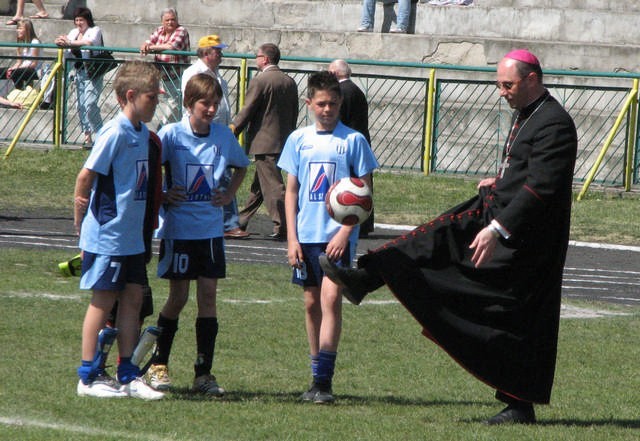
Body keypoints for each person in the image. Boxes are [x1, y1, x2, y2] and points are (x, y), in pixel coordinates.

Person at [320, 49, 578, 424]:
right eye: (499, 85)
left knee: (507, 310)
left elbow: (541, 188)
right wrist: (501, 181)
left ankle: (519, 403)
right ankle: (368, 276)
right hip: (500, 215)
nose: (502, 93)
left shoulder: (554, 122)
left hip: (522, 236)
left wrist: (496, 229)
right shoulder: (529, 114)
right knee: (433, 242)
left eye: (508, 85)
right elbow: (525, 173)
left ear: (532, 80)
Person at [145, 73, 250, 395]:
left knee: (208, 297)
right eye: (205, 103)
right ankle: (158, 364)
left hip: (210, 232)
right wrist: (163, 195)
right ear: (189, 104)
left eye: (215, 103)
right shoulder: (172, 135)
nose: (211, 109)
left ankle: (203, 373)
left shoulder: (222, 135)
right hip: (179, 230)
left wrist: (228, 194)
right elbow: (151, 169)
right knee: (178, 298)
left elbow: (242, 165)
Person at [278, 71, 378, 403]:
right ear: (309, 103)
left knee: (331, 300)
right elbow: (291, 191)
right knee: (310, 303)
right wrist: (291, 238)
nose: (327, 109)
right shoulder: (298, 140)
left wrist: (347, 230)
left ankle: (324, 382)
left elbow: (364, 193)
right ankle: (314, 372)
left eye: (333, 104)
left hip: (337, 238)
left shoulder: (353, 141)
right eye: (321, 104)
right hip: (305, 235)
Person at [73, 60, 164, 400]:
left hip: (131, 235)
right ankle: (88, 374)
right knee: (103, 301)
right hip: (109, 235)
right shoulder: (114, 132)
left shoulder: (142, 133)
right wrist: (82, 221)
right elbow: (86, 176)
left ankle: (127, 373)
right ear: (130, 95)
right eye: (151, 97)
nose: (156, 102)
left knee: (133, 298)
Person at [181, 34, 249, 239]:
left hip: (219, 130)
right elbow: (190, 102)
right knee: (218, 175)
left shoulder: (217, 74)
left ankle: (227, 221)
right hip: (203, 131)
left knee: (224, 174)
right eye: (217, 50)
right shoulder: (194, 73)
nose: (221, 54)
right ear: (205, 53)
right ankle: (228, 222)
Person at [231, 43, 299, 240]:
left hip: (264, 142)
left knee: (273, 186)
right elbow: (294, 112)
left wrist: (233, 130)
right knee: (259, 186)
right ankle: (241, 221)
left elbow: (247, 110)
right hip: (284, 140)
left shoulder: (261, 81)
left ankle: (284, 225)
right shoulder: (289, 81)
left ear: (265, 59)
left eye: (257, 56)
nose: (256, 59)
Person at [327, 59, 374, 237]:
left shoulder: (342, 92)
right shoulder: (356, 89)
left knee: (351, 185)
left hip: (347, 144)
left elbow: (339, 121)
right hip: (360, 141)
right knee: (362, 184)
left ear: (334, 73)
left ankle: (354, 220)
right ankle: (365, 222)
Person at [55, 7, 104, 148]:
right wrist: (60, 40)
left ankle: (101, 135)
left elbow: (89, 42)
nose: (78, 23)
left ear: (87, 20)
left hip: (93, 72)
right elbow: (66, 42)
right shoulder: (74, 32)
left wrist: (69, 42)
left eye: (81, 20)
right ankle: (87, 138)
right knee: (81, 105)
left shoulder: (95, 30)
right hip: (79, 72)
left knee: (90, 104)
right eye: (76, 20)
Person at [140, 7, 190, 127]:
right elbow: (150, 40)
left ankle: (164, 128)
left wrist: (151, 47)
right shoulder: (159, 30)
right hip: (161, 74)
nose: (170, 22)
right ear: (162, 21)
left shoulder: (181, 30)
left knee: (174, 104)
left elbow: (171, 46)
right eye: (167, 20)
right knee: (167, 101)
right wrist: (146, 44)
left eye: (173, 19)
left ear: (177, 20)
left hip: (177, 75)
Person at [0, 19, 41, 91]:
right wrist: (13, 68)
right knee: (3, 71)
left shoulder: (35, 42)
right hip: (22, 68)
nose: (17, 31)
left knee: (15, 73)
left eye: (20, 28)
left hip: (34, 69)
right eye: (17, 28)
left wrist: (17, 68)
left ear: (27, 30)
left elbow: (34, 63)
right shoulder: (21, 43)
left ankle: (19, 91)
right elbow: (19, 62)